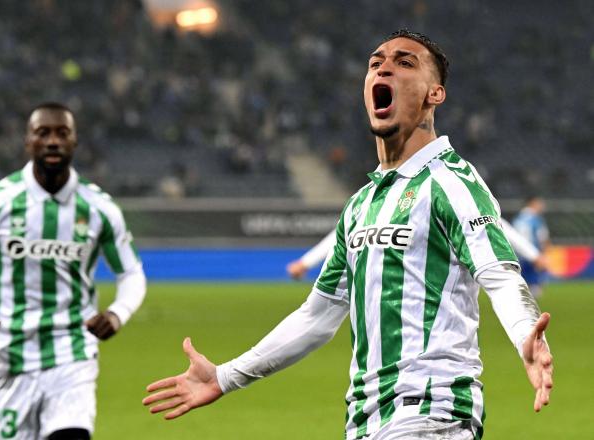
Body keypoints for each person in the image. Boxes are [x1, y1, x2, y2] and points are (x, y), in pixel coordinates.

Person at [142, 30, 553, 439]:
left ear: (434, 94)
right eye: (376, 63)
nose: (384, 67)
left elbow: (499, 275)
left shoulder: (451, 182)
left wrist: (525, 334)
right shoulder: (361, 204)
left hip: (431, 414)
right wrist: (225, 376)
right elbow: (317, 316)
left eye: (404, 62)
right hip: (367, 423)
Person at [0, 102, 147, 440]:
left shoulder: (99, 208)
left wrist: (118, 312)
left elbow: (131, 272)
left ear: (75, 142)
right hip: (9, 352)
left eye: (62, 133)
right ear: (28, 142)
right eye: (43, 133)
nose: (53, 141)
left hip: (72, 350)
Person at [286, 218, 545, 280]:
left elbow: (497, 225)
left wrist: (533, 255)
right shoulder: (379, 192)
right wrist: (307, 262)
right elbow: (346, 230)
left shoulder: (451, 185)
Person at [513, 196, 550, 298]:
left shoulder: (518, 218)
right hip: (533, 255)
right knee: (535, 286)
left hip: (517, 255)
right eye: (539, 203)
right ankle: (530, 309)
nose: (542, 205)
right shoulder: (536, 219)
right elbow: (542, 237)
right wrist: (544, 253)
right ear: (532, 203)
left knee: (521, 283)